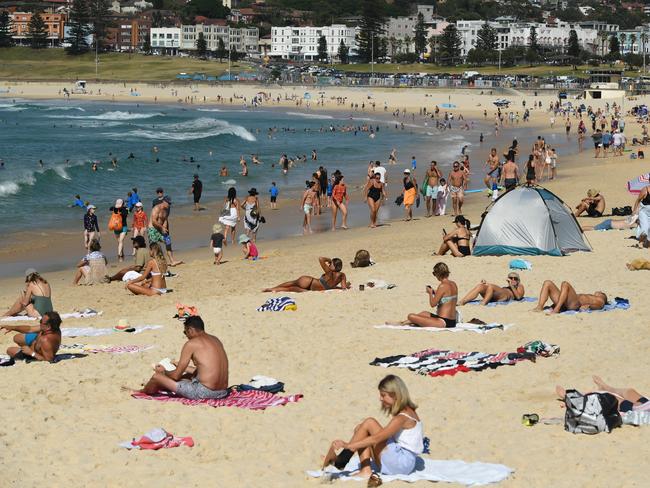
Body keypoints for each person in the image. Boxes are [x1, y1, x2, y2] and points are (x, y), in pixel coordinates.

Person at [321, 375, 424, 485]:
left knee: (369, 422)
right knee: (360, 428)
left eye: (383, 395)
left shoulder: (402, 417)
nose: (380, 398)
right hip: (404, 462)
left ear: (395, 395)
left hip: (401, 463)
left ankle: (342, 460)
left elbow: (377, 438)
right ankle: (364, 469)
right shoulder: (408, 411)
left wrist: (347, 445)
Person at [133, 316, 229, 400]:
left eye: (185, 332)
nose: (186, 335)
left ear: (190, 330)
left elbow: (175, 376)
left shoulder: (191, 344)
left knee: (157, 377)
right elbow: (206, 369)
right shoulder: (216, 340)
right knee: (187, 377)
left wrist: (163, 371)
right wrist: (182, 366)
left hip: (205, 393)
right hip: (223, 392)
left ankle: (143, 391)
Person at [392, 262, 458, 328]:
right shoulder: (453, 284)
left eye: (434, 273)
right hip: (452, 321)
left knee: (411, 316)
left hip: (443, 322)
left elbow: (433, 304)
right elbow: (446, 296)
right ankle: (403, 323)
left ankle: (403, 323)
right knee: (424, 313)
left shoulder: (442, 286)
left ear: (438, 273)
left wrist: (430, 293)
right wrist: (434, 291)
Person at [556, 376, 649, 414]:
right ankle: (606, 387)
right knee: (630, 391)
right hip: (645, 404)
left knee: (608, 398)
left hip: (637, 410)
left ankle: (570, 398)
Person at [262, 257, 349, 293]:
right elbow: (344, 288)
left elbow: (321, 258)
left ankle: (272, 288)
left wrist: (329, 259)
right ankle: (273, 289)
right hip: (310, 287)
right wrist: (341, 287)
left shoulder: (329, 272)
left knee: (291, 284)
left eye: (331, 264)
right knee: (290, 288)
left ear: (334, 266)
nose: (329, 265)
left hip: (309, 281)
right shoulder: (342, 276)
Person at [532, 280, 607, 313]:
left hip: (574, 305)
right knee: (547, 283)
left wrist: (589, 306)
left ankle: (557, 309)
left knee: (565, 284)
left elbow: (599, 306)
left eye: (601, 292)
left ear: (603, 296)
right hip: (566, 303)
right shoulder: (591, 295)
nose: (600, 291)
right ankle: (539, 307)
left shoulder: (600, 299)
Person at [148, 199, 183, 266]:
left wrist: (166, 230)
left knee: (168, 241)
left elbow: (165, 220)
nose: (169, 205)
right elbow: (154, 221)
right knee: (154, 247)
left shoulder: (167, 209)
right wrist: (162, 227)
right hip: (152, 229)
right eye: (168, 203)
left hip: (161, 229)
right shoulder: (156, 208)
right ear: (164, 202)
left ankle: (172, 261)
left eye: (170, 203)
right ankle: (153, 263)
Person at [459, 272, 525, 305]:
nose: (512, 280)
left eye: (515, 279)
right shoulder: (507, 287)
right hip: (495, 295)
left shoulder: (519, 286)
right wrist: (485, 284)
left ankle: (483, 303)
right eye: (511, 278)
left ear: (518, 280)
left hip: (504, 296)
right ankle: (462, 302)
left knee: (491, 286)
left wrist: (512, 286)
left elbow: (519, 297)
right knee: (480, 286)